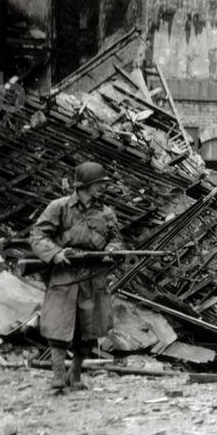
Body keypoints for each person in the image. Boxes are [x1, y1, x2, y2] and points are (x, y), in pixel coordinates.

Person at [30, 161, 124, 392]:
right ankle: (58, 377)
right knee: (58, 327)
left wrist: (111, 250)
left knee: (88, 329)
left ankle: (76, 375)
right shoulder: (59, 207)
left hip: (92, 276)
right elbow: (37, 235)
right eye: (98, 184)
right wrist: (56, 253)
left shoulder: (106, 213)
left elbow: (117, 239)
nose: (102, 187)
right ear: (85, 185)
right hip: (65, 274)